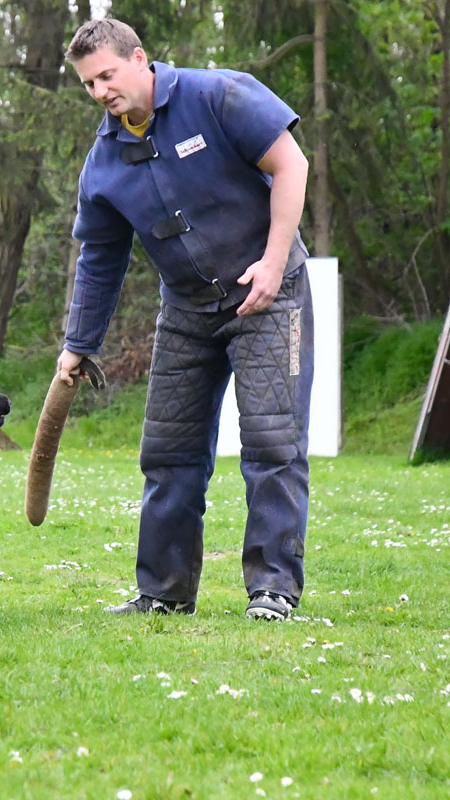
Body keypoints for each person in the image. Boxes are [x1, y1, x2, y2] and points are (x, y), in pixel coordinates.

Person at [58, 18, 314, 620]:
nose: (99, 92)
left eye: (107, 75)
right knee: (169, 452)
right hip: (187, 309)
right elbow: (99, 260)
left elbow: (291, 165)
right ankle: (164, 593)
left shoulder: (217, 95)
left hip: (268, 293)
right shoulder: (104, 163)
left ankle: (272, 590)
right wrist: (79, 344)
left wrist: (274, 263)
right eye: (88, 84)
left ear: (139, 59)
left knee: (272, 444)